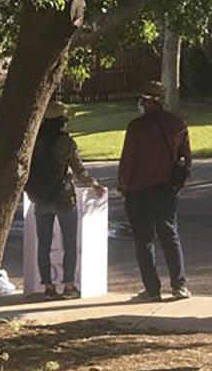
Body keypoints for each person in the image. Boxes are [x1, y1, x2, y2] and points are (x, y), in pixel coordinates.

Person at [118, 81, 192, 301]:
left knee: (144, 240)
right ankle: (179, 285)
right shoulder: (177, 124)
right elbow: (185, 158)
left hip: (138, 191)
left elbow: (128, 161)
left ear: (146, 101)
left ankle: (152, 289)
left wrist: (123, 185)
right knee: (170, 236)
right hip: (165, 190)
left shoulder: (136, 127)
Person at [25, 101, 105, 300]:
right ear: (62, 121)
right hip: (63, 197)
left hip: (40, 198)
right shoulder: (66, 142)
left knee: (43, 245)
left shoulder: (33, 141)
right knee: (70, 243)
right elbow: (78, 169)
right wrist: (94, 184)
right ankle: (69, 285)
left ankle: (48, 288)